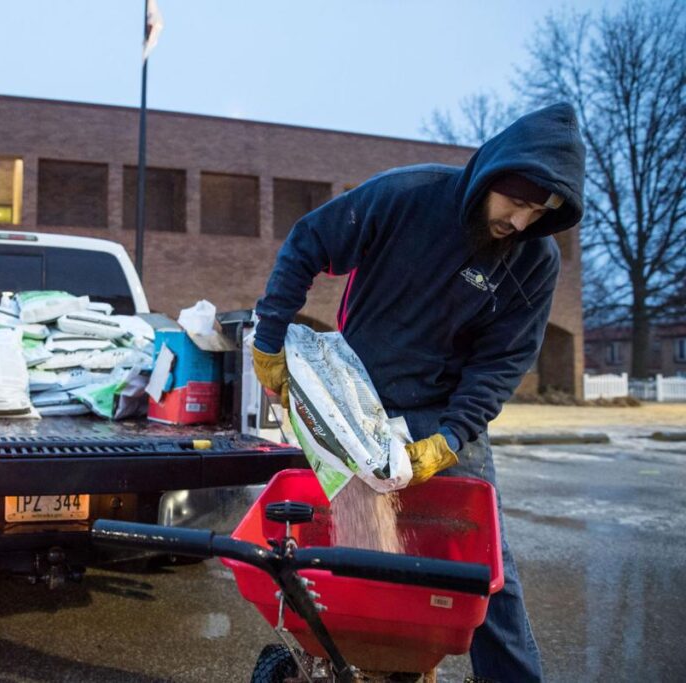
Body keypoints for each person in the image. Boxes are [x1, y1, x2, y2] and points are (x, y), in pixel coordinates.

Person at [251, 102, 586, 682]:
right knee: (345, 549)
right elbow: (308, 242)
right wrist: (270, 339)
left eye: (539, 212)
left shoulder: (534, 260)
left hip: (444, 413)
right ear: (493, 175)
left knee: (484, 567)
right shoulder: (406, 197)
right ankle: (363, 659)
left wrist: (452, 437)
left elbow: (501, 361)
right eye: (518, 203)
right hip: (356, 400)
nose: (523, 222)